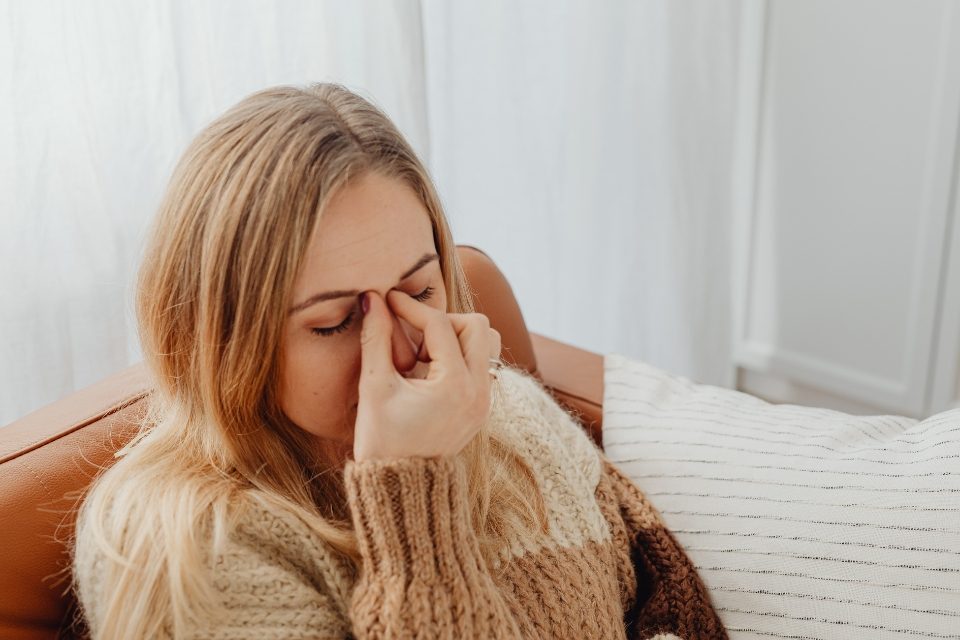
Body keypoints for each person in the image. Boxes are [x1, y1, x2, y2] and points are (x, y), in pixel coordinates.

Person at [71, 82, 727, 639]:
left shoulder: (510, 413)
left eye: (419, 292)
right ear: (222, 340)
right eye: (334, 322)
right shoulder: (181, 551)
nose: (400, 347)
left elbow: (665, 596)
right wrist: (412, 492)